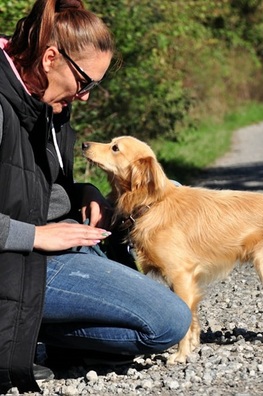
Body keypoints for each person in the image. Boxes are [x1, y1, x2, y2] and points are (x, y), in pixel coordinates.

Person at [0, 0, 192, 393]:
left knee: (147, 292)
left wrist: (81, 192)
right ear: (51, 57)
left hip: (57, 240)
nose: (86, 96)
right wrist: (36, 236)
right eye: (85, 82)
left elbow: (31, 182)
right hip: (20, 257)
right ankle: (23, 329)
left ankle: (34, 329)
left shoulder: (46, 99)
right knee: (169, 321)